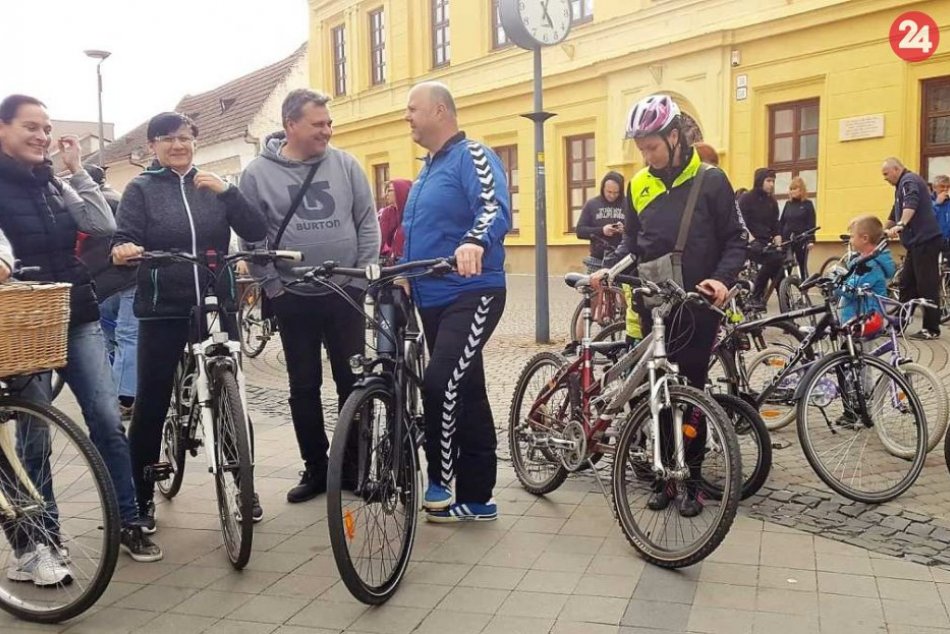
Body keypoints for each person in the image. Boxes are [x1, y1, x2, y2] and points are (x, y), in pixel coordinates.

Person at [0, 94, 161, 572]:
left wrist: (75, 171)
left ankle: (127, 521)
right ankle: (41, 541)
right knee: (34, 432)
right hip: (22, 319)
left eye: (46, 129)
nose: (42, 136)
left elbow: (101, 224)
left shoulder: (51, 182)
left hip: (76, 309)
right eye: (31, 127)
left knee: (107, 421)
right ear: (3, 129)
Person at [111, 112, 267, 532]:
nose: (178, 146)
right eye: (167, 139)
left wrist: (230, 194)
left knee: (231, 397)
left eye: (184, 138)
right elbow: (123, 236)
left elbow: (256, 228)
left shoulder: (212, 185)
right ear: (153, 147)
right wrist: (125, 248)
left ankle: (243, 484)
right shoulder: (140, 189)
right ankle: (140, 498)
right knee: (152, 401)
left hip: (217, 303)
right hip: (164, 306)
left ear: (194, 141)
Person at [593, 93, 747, 517]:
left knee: (690, 394)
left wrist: (722, 279)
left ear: (675, 137)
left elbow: (737, 239)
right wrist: (609, 271)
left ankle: (692, 481)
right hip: (651, 306)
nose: (647, 156)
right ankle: (664, 478)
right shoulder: (639, 185)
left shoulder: (712, 181)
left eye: (653, 147)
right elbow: (631, 243)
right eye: (641, 148)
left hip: (697, 307)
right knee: (655, 396)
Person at [239, 89, 380, 503]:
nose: (327, 131)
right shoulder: (257, 174)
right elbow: (250, 235)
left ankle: (354, 470)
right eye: (318, 124)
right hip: (293, 295)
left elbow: (366, 223)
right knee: (303, 386)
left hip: (345, 292)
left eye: (328, 123)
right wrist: (273, 286)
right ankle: (316, 470)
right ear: (291, 125)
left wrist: (361, 279)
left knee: (352, 382)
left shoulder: (346, 164)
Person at [402, 81, 510, 522]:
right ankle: (479, 497)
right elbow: (419, 232)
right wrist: (403, 272)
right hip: (431, 295)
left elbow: (493, 206)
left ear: (440, 111)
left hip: (472, 290)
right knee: (469, 388)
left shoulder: (473, 155)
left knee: (440, 380)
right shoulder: (428, 168)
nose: (407, 116)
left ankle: (441, 484)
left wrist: (474, 241)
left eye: (413, 109)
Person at [77, 164, 139, 420]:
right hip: (123, 279)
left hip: (107, 281)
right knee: (125, 336)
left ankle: (124, 397)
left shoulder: (84, 206)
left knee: (117, 338)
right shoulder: (116, 199)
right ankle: (125, 393)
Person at [882, 157, 944, 339]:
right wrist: (884, 230)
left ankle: (931, 329)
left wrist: (902, 224)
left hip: (926, 241)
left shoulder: (909, 181)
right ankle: (899, 324)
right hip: (916, 243)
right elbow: (896, 209)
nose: (885, 178)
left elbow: (911, 202)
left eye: (886, 174)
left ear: (896, 169)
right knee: (907, 284)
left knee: (927, 285)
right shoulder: (900, 185)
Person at [739, 168, 782, 309]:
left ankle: (787, 313)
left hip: (765, 243)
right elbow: (741, 223)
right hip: (748, 242)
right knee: (772, 259)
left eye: (773, 181)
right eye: (769, 181)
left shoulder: (772, 202)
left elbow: (776, 226)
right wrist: (752, 240)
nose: (772, 184)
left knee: (779, 271)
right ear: (760, 181)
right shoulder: (746, 199)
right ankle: (755, 296)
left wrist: (779, 245)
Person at [575, 172, 625, 269]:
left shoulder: (628, 204)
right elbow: (580, 231)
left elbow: (638, 230)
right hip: (596, 260)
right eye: (609, 192)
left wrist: (624, 230)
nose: (612, 195)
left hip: (621, 261)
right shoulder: (592, 204)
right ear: (603, 189)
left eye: (616, 193)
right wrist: (602, 230)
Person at [779, 176, 817, 279]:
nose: (792, 191)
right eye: (791, 189)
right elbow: (782, 222)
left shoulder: (807, 204)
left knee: (801, 265)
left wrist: (811, 240)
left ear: (801, 190)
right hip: (787, 240)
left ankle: (804, 290)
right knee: (786, 267)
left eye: (795, 188)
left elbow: (811, 223)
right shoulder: (788, 204)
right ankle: (784, 290)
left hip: (802, 239)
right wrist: (779, 237)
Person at [378, 178, 412, 264]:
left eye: (389, 190)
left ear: (400, 191)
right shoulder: (389, 212)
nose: (385, 195)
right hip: (393, 263)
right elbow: (382, 239)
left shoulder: (412, 218)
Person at [933, 174, 950, 257]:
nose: (945, 189)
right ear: (934, 188)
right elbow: (927, 219)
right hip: (933, 243)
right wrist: (937, 204)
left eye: (948, 187)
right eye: (942, 186)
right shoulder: (928, 202)